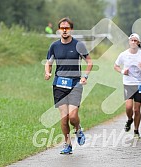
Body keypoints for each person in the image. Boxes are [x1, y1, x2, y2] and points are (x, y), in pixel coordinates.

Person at [44, 17, 93, 154]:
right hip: (59, 84)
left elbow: (89, 62)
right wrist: (48, 72)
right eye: (62, 28)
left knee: (72, 117)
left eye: (67, 28)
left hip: (75, 84)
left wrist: (85, 76)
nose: (64, 30)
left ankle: (78, 129)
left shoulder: (79, 45)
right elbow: (49, 62)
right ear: (59, 30)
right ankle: (67, 144)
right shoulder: (54, 46)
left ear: (71, 29)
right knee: (64, 118)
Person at [114, 33, 141, 139]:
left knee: (137, 109)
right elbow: (115, 66)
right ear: (129, 42)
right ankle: (129, 119)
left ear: (138, 43)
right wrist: (123, 71)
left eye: (136, 41)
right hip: (128, 83)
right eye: (132, 40)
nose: (133, 42)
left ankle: (136, 131)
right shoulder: (123, 54)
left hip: (140, 84)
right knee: (128, 107)